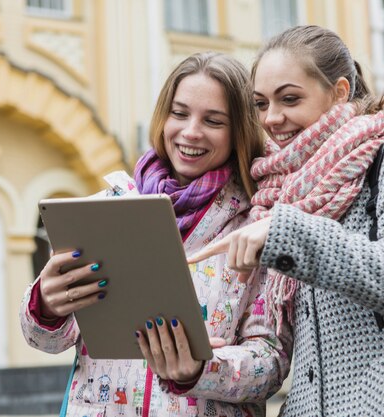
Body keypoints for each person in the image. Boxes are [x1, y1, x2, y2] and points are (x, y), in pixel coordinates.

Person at [189, 26, 384, 416]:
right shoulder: (280, 191)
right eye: (261, 103)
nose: (272, 118)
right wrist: (210, 357)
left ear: (340, 91)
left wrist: (290, 234)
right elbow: (276, 346)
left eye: (289, 99)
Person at [20, 52, 292, 417]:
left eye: (213, 120)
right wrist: (47, 304)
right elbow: (46, 340)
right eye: (179, 113)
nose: (191, 131)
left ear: (238, 132)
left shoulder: (256, 225)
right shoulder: (105, 209)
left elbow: (272, 364)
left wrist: (200, 369)